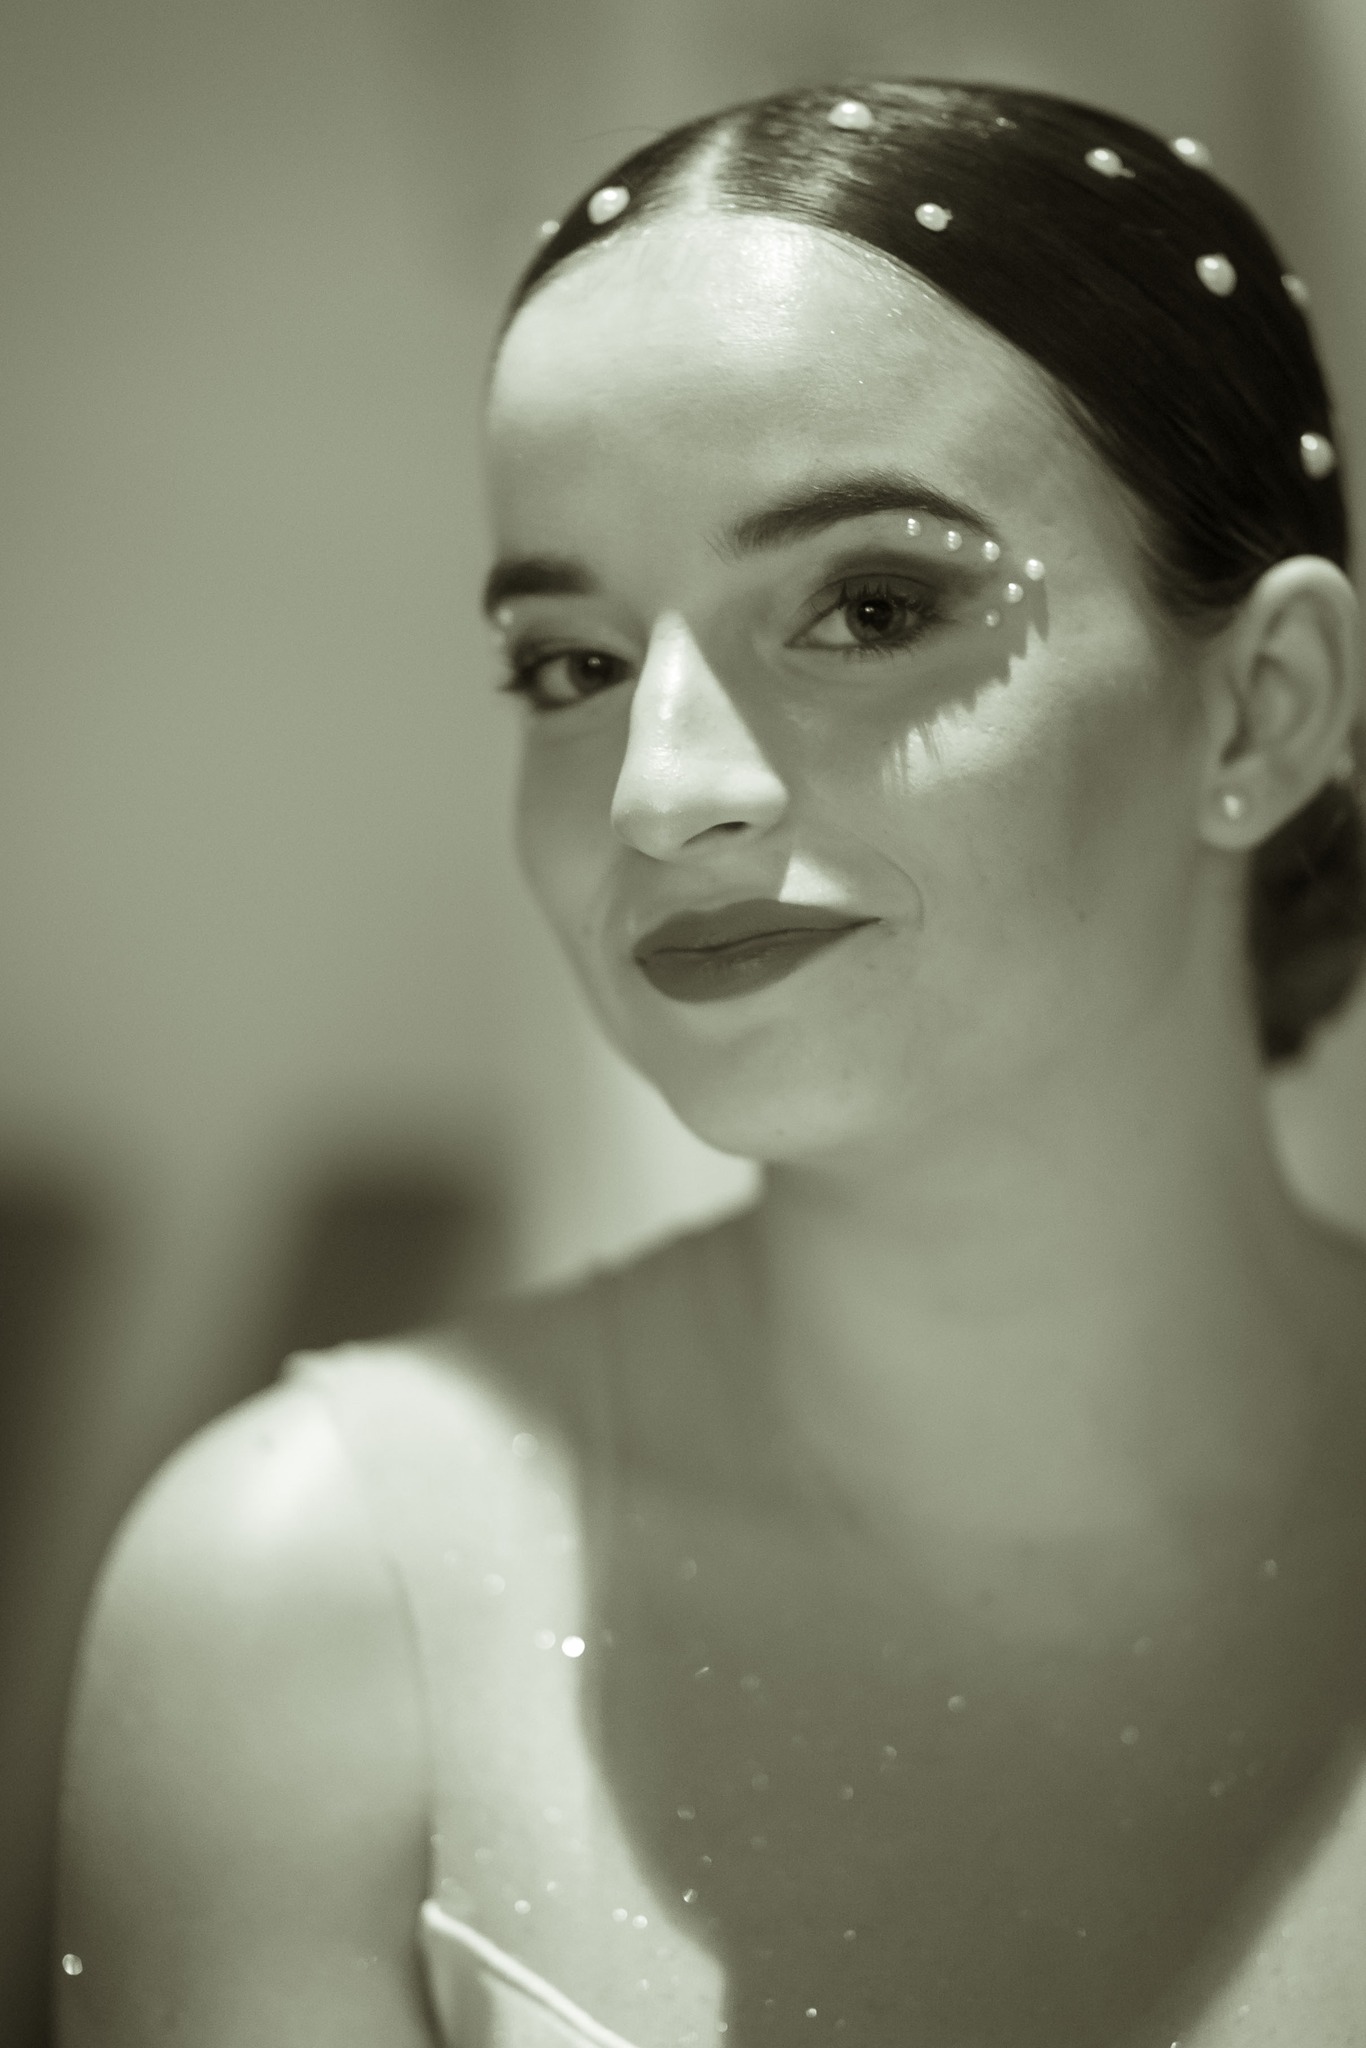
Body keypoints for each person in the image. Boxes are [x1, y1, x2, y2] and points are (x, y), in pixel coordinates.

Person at [55, 78, 1366, 2048]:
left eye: (868, 607)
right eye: (571, 665)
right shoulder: (310, 1610)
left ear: (1259, 708)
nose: (660, 794)